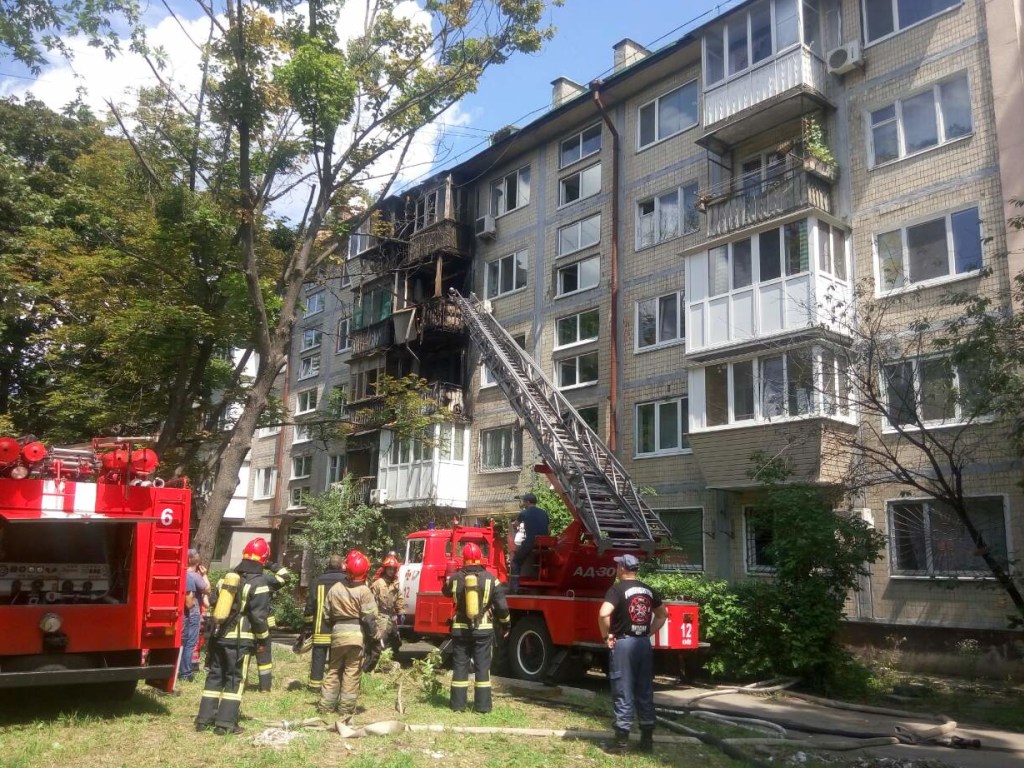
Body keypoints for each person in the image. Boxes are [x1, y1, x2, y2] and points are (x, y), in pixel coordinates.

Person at [195, 537, 274, 735]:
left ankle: (203, 720)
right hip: (241, 640)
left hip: (219, 636)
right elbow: (258, 617)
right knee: (234, 680)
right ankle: (225, 724)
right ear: (263, 559)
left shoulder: (227, 578)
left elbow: (214, 601)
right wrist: (263, 639)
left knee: (215, 676)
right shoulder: (260, 583)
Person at [597, 553, 668, 755]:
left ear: (622, 569)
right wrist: (648, 632)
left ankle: (620, 744)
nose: (617, 568)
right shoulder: (648, 590)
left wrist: (606, 636)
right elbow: (663, 614)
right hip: (643, 644)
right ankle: (647, 742)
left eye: (618, 565)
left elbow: (603, 613)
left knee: (623, 689)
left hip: (624, 644)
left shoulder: (617, 590)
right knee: (644, 690)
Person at [443, 542, 510, 713]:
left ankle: (458, 705)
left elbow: (445, 591)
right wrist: (505, 624)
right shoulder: (491, 579)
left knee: (460, 667)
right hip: (483, 630)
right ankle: (483, 707)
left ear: (463, 559)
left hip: (460, 630)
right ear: (481, 557)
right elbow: (501, 607)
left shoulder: (456, 578)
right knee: (482, 668)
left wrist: (449, 576)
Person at [318, 549, 379, 723]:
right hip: (356, 636)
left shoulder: (336, 588)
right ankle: (345, 709)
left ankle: (326, 706)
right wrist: (375, 637)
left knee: (333, 670)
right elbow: (369, 619)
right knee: (352, 671)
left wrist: (336, 625)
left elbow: (326, 615)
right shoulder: (364, 591)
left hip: (337, 634)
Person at [303, 553, 347, 690]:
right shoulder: (346, 581)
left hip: (320, 628)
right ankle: (335, 686)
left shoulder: (317, 581)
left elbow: (310, 605)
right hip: (340, 629)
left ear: (328, 565)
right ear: (342, 565)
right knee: (338, 660)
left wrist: (307, 625)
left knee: (318, 658)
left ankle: (314, 687)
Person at [252, 559, 291, 692]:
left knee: (241, 653)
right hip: (262, 622)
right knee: (263, 652)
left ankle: (239, 681)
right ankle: (265, 686)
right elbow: (285, 576)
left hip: (241, 624)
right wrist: (270, 564)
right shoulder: (266, 580)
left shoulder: (237, 577)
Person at [364, 552, 405, 672]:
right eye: (389, 569)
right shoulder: (378, 584)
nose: (391, 571)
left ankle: (388, 663)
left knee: (395, 642)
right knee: (381, 642)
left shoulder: (395, 584)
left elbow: (399, 598)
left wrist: (401, 611)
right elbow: (371, 601)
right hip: (381, 616)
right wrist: (373, 618)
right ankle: (376, 666)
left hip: (392, 617)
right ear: (385, 569)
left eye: (393, 569)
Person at [179, 549, 209, 683]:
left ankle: (179, 670)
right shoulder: (193, 576)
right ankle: (185, 673)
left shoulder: (181, 574)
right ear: (192, 560)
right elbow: (207, 588)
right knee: (190, 643)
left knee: (182, 642)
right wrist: (204, 575)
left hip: (182, 614)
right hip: (192, 614)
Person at [509, 492, 549, 593]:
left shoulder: (524, 513)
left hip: (531, 542)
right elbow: (548, 530)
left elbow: (516, 525)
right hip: (544, 544)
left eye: (524, 502)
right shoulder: (544, 513)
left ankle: (514, 588)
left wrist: (513, 524)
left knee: (515, 562)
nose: (524, 503)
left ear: (528, 502)